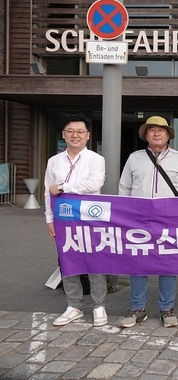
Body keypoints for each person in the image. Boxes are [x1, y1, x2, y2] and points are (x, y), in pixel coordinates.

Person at [118, 116, 178, 328]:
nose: (157, 133)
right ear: (146, 135)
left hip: (169, 220)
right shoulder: (135, 158)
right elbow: (124, 187)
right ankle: (137, 308)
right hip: (138, 219)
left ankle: (166, 308)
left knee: (167, 264)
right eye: (152, 130)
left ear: (169, 134)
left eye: (161, 130)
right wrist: (125, 214)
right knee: (138, 263)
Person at [44, 114, 108, 327]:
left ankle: (99, 306)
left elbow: (94, 183)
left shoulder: (96, 159)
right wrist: (49, 219)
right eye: (70, 131)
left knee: (95, 261)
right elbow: (47, 192)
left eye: (80, 131)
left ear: (88, 136)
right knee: (68, 260)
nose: (75, 135)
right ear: (63, 134)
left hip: (92, 217)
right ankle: (74, 306)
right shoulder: (54, 161)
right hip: (63, 218)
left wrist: (63, 187)